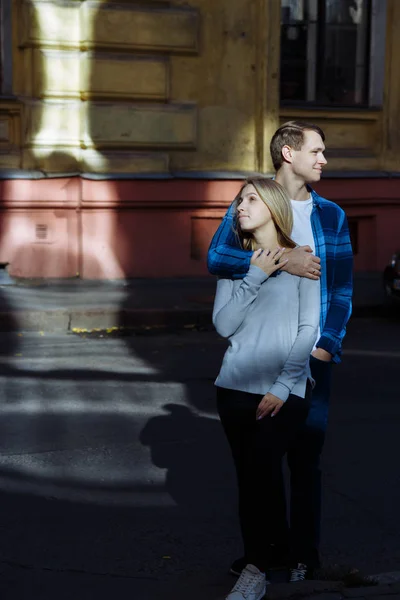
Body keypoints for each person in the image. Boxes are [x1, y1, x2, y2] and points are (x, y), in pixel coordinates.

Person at [208, 121, 353, 582]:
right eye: (317, 150)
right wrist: (280, 258)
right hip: (260, 354)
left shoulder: (330, 214)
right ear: (288, 153)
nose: (324, 159)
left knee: (305, 458)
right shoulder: (253, 202)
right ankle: (265, 554)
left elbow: (342, 287)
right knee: (260, 464)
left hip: (312, 355)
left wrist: (327, 347)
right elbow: (217, 258)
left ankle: (304, 561)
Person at [213, 177, 320, 600]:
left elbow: (307, 329)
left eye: (251, 199)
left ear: (274, 207)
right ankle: (270, 556)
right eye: (240, 200)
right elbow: (224, 325)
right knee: (252, 479)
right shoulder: (236, 262)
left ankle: (256, 570)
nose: (240, 206)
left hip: (284, 391)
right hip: (233, 387)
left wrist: (281, 387)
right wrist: (254, 275)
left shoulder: (304, 261)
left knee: (262, 473)